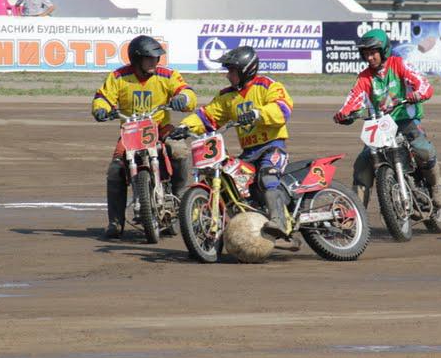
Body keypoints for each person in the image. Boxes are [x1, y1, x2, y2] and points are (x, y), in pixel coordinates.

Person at [170, 45, 295, 241]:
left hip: (272, 146)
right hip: (249, 152)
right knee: (233, 182)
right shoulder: (227, 96)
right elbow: (207, 116)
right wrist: (185, 127)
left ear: (246, 70)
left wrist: (257, 114)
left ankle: (278, 221)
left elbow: (283, 109)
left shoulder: (267, 85)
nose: (228, 75)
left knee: (267, 177)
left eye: (232, 71)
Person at [91, 35, 196, 239]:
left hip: (161, 128)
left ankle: (178, 196)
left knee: (180, 151)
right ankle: (115, 222)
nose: (154, 62)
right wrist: (101, 109)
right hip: (130, 131)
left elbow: (187, 92)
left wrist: (182, 99)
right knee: (115, 170)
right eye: (149, 58)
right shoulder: (118, 77)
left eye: (156, 58)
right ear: (136, 59)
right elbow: (103, 97)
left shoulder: (167, 75)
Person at [332, 28, 441, 209]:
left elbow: (423, 84)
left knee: (422, 149)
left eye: (373, 53)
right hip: (379, 125)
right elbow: (353, 99)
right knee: (362, 165)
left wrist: (418, 94)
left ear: (383, 50)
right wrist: (344, 113)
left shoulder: (399, 64)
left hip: (405, 120)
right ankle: (355, 214)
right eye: (366, 54)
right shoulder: (364, 77)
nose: (369, 58)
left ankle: (436, 184)